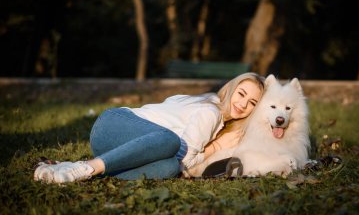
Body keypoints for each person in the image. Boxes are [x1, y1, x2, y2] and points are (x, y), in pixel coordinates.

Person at [34, 72, 265, 183]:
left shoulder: (205, 104)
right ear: (232, 88)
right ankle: (83, 169)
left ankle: (71, 169)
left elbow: (178, 165)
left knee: (169, 168)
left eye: (252, 103)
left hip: (117, 148)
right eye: (241, 94)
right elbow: (186, 158)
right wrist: (216, 148)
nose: (243, 104)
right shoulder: (211, 111)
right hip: (114, 124)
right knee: (170, 142)